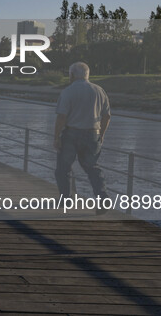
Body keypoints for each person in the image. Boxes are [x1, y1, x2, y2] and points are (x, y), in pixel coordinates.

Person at [53, 62, 111, 215]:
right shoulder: (99, 91)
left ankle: (66, 199)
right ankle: (102, 197)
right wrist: (102, 134)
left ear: (72, 75)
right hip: (93, 133)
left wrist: (56, 137)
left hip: (72, 133)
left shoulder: (68, 91)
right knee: (92, 168)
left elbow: (61, 117)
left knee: (63, 168)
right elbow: (106, 116)